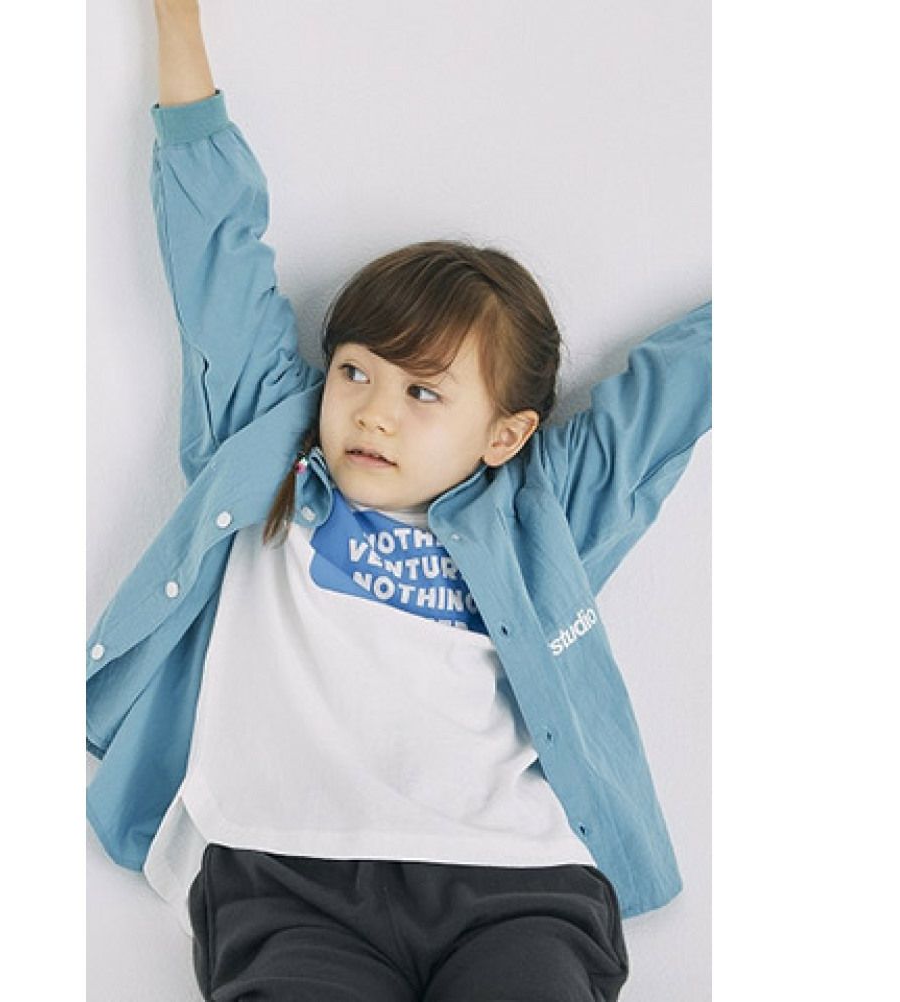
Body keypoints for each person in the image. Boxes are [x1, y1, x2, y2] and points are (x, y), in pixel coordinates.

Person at [87, 1, 711, 999]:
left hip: (517, 884)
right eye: (355, 371)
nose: (373, 411)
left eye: (424, 393)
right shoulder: (274, 447)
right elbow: (215, 247)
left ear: (505, 435)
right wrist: (177, 22)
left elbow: (676, 393)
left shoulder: (541, 513)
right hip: (288, 877)